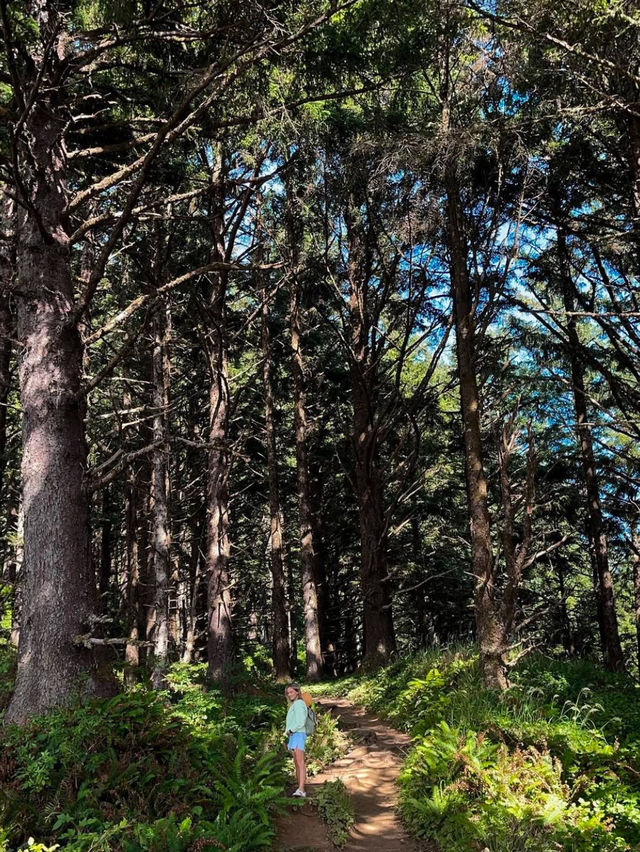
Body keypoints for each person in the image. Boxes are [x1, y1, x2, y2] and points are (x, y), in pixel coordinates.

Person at [284, 682, 308, 797]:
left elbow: (301, 721)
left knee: (300, 762)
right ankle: (299, 787)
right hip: (294, 735)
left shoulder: (299, 703)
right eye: (288, 693)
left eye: (291, 692)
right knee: (296, 763)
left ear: (297, 692)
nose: (289, 694)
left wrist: (291, 731)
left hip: (297, 734)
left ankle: (301, 789)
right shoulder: (294, 704)